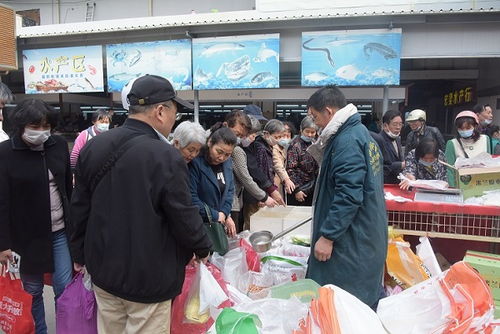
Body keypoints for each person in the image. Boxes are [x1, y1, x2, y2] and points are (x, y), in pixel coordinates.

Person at [70, 75, 212, 333]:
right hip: (149, 278)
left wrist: (79, 254)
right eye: (174, 112)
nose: (173, 120)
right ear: (160, 111)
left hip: (103, 271)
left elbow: (79, 206)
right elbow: (183, 214)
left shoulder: (94, 146)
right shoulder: (166, 156)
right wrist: (203, 247)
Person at [305, 86, 387, 309]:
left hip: (352, 239)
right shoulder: (361, 134)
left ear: (329, 112)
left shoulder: (347, 141)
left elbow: (349, 194)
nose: (315, 123)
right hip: (363, 232)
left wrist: (328, 236)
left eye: (315, 117)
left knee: (344, 306)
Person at [0, 99, 73, 333]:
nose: (40, 132)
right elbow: (1, 201)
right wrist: (3, 245)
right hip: (25, 236)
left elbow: (68, 189)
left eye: (45, 126)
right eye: (34, 125)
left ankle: (64, 329)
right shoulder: (5, 153)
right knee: (32, 290)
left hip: (59, 231)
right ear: (21, 125)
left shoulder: (58, 145)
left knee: (64, 286)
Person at [230, 114, 277, 231]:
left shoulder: (252, 146)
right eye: (245, 135)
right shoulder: (237, 150)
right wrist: (264, 196)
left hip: (240, 198)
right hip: (238, 199)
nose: (251, 137)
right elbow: (246, 177)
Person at [189, 127, 238, 238]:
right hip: (198, 224)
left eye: (227, 154)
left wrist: (225, 213)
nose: (222, 157)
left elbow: (230, 191)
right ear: (210, 142)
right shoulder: (195, 163)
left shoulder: (228, 163)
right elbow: (191, 197)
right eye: (219, 151)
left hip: (219, 224)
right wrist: (215, 215)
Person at [242, 119, 286, 228]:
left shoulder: (266, 146)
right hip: (256, 195)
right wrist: (263, 196)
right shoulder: (259, 147)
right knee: (252, 224)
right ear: (266, 134)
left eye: (281, 137)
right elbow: (258, 173)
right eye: (276, 137)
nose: (278, 140)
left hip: (262, 194)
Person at [445, 111, 492, 187]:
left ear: (475, 126)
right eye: (461, 128)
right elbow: (450, 170)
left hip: (482, 183)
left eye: (468, 128)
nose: (464, 131)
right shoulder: (452, 143)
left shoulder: (485, 139)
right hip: (462, 184)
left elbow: (489, 163)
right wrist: (453, 189)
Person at [286, 116, 318, 206]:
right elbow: (290, 169)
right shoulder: (295, 145)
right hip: (300, 188)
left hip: (312, 187)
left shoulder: (315, 143)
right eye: (307, 131)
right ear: (301, 130)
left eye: (313, 132)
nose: (310, 135)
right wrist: (297, 189)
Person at [376, 110, 405, 184]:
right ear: (385, 126)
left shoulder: (397, 139)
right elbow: (379, 166)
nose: (398, 127)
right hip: (384, 183)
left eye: (400, 124)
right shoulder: (378, 140)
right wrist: (400, 165)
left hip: (397, 182)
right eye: (395, 124)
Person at [272, 124, 295, 197]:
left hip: (281, 184)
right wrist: (287, 179)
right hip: (274, 183)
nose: (285, 139)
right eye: (283, 136)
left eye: (288, 136)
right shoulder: (274, 148)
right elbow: (278, 164)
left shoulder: (286, 148)